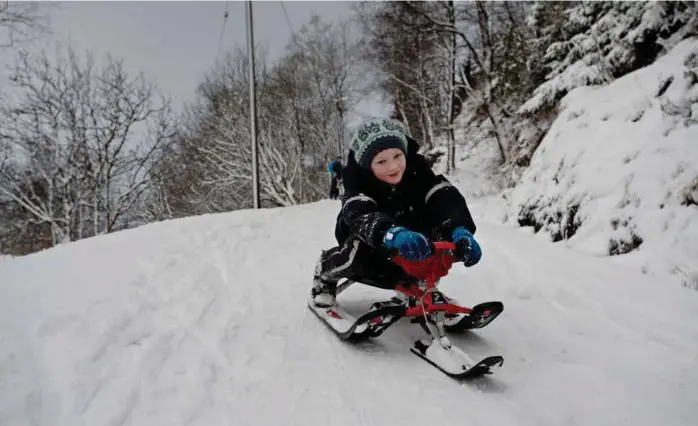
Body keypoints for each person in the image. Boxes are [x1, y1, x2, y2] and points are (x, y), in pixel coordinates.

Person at [311, 117, 482, 307]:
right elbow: (360, 214)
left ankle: (420, 287)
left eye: (397, 156)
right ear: (368, 165)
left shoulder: (418, 172)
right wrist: (390, 233)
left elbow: (443, 196)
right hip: (368, 235)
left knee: (438, 246)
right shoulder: (358, 182)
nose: (392, 167)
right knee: (357, 256)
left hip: (408, 228)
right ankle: (325, 271)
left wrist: (459, 228)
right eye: (381, 161)